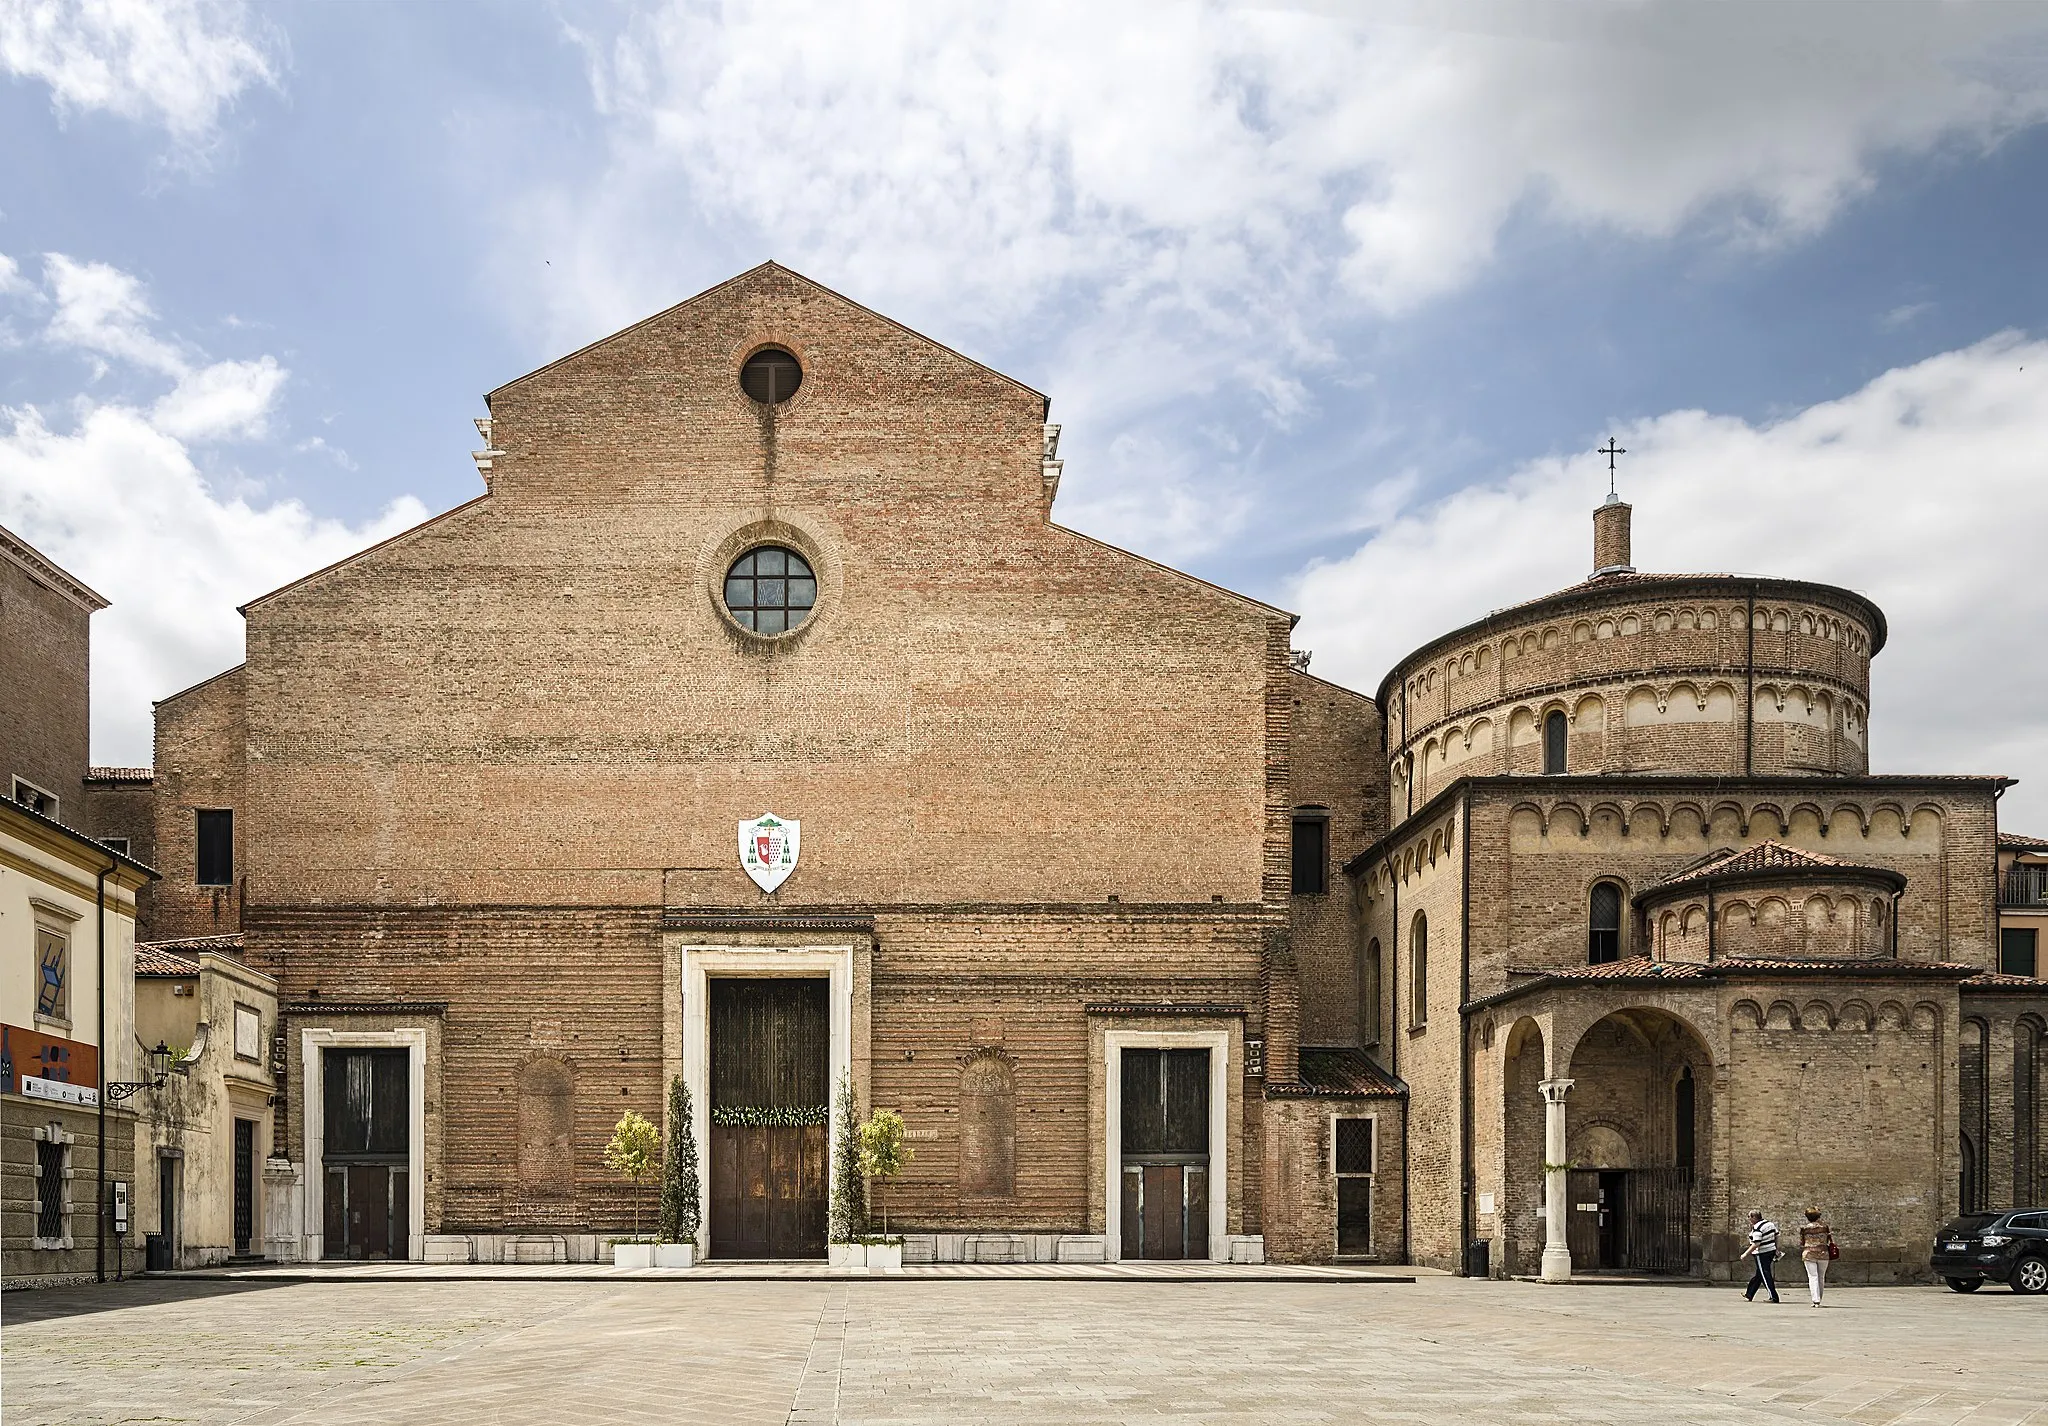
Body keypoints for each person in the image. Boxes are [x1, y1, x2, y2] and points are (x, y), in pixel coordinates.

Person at [1740, 1209, 1781, 1302]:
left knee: (1765, 1274)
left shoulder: (1757, 1228)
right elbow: (1777, 1235)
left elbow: (1756, 1243)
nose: (1748, 1219)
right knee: (1759, 1274)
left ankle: (1773, 1296)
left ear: (1754, 1217)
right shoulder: (1770, 1224)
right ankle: (1749, 1294)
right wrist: (1777, 1248)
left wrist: (1745, 1254)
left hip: (1761, 1253)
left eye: (1749, 1217)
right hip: (1771, 1250)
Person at [1799, 1207, 1835, 1306]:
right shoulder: (1825, 1227)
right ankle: (1819, 1298)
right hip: (1823, 1253)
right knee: (1821, 1277)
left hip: (1809, 1253)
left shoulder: (1804, 1228)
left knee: (1812, 1276)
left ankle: (1816, 1299)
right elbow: (1829, 1239)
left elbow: (1801, 1242)